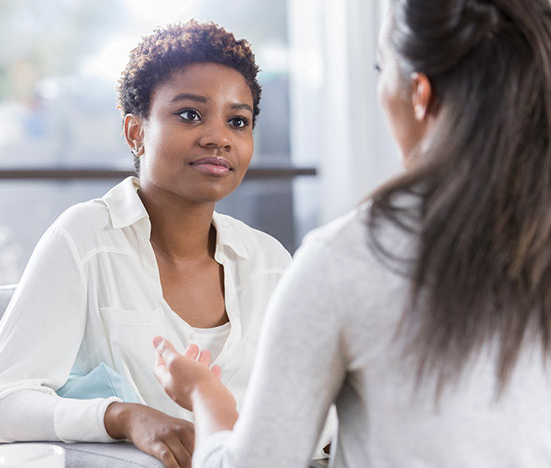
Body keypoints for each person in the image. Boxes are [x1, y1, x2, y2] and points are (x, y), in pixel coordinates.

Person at [153, 1, 551, 467]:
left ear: (419, 93)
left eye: (383, 68)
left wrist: (207, 395)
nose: (218, 138)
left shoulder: (349, 259)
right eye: (189, 115)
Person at [0, 21, 335, 468]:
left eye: (238, 121)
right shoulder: (85, 239)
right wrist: (124, 417)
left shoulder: (269, 262)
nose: (219, 137)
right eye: (190, 114)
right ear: (135, 131)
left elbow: (317, 421)